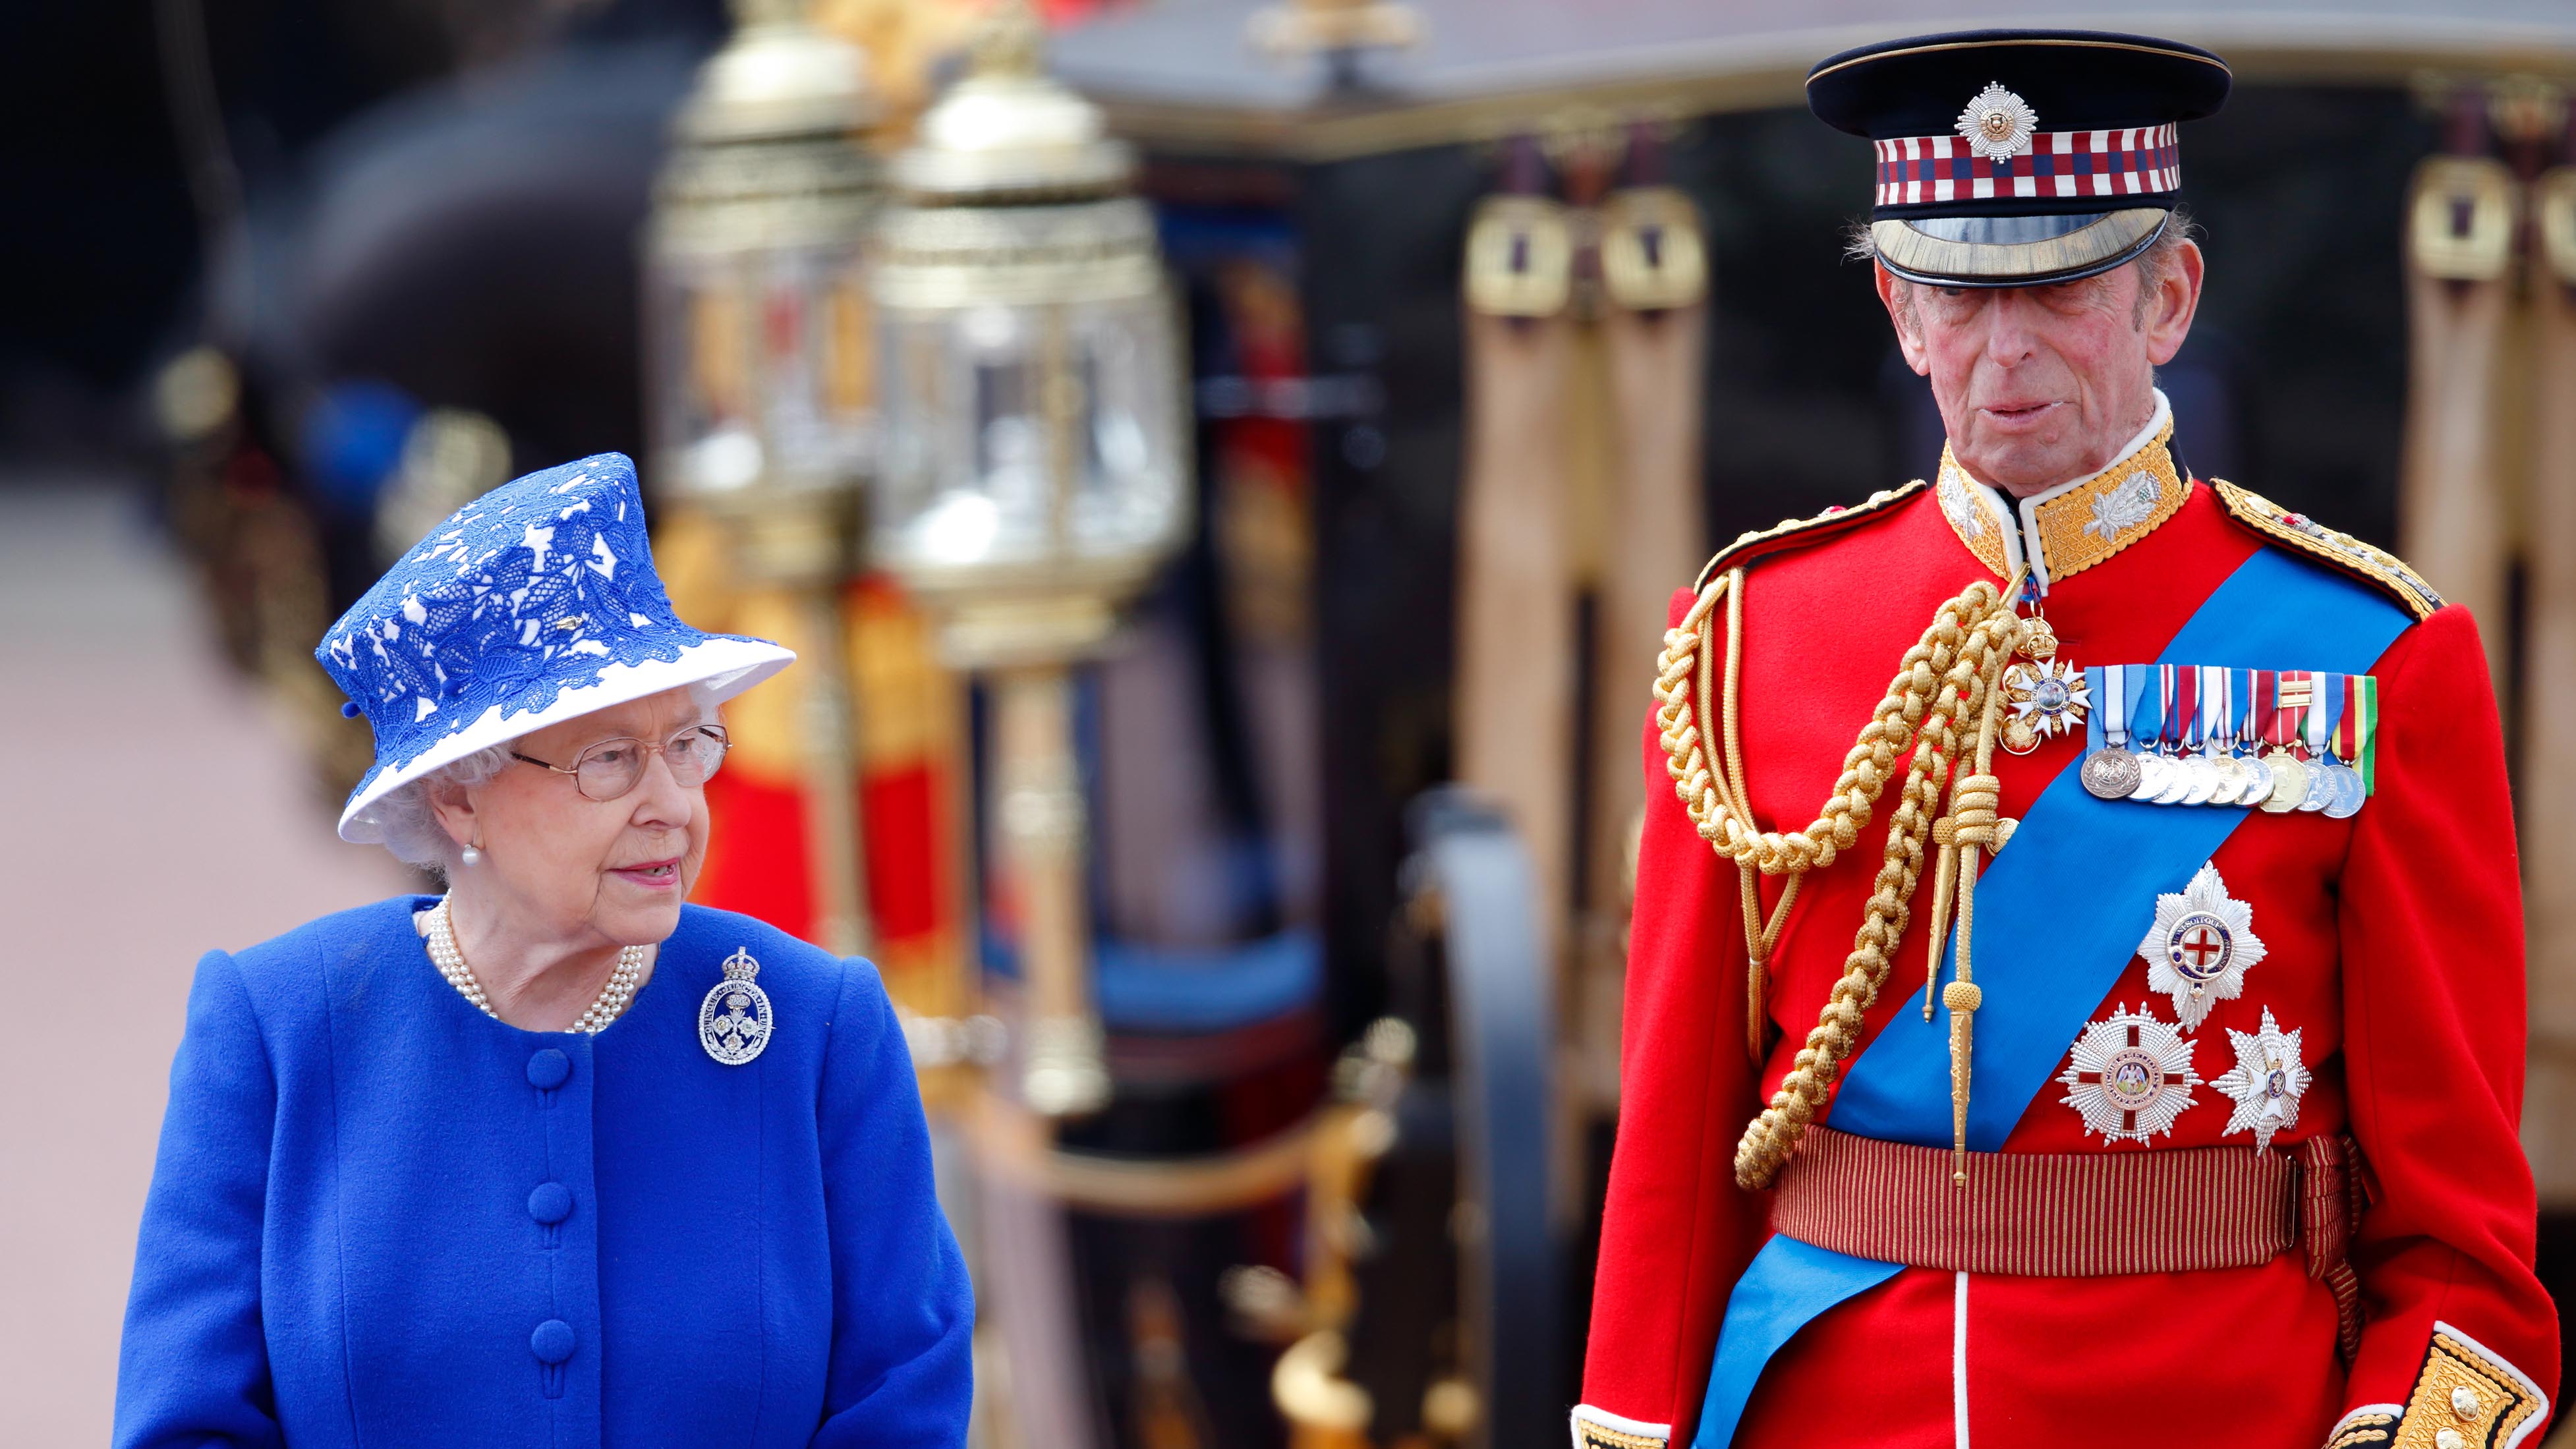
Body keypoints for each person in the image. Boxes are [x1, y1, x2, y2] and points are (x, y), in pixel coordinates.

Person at [1571, 30, 2557, 1449]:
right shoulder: (1742, 643)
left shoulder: (2369, 654)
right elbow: (1669, 1172)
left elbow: (2461, 1239)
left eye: (2059, 290)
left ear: (2168, 296)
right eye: (1956, 300)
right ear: (1899, 317)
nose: (2003, 350)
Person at [115, 453, 973, 1448]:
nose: (672, 807)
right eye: (609, 759)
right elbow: (186, 1426)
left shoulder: (814, 1025)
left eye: (688, 743)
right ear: (457, 795)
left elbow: (902, 1410)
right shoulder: (276, 1026)